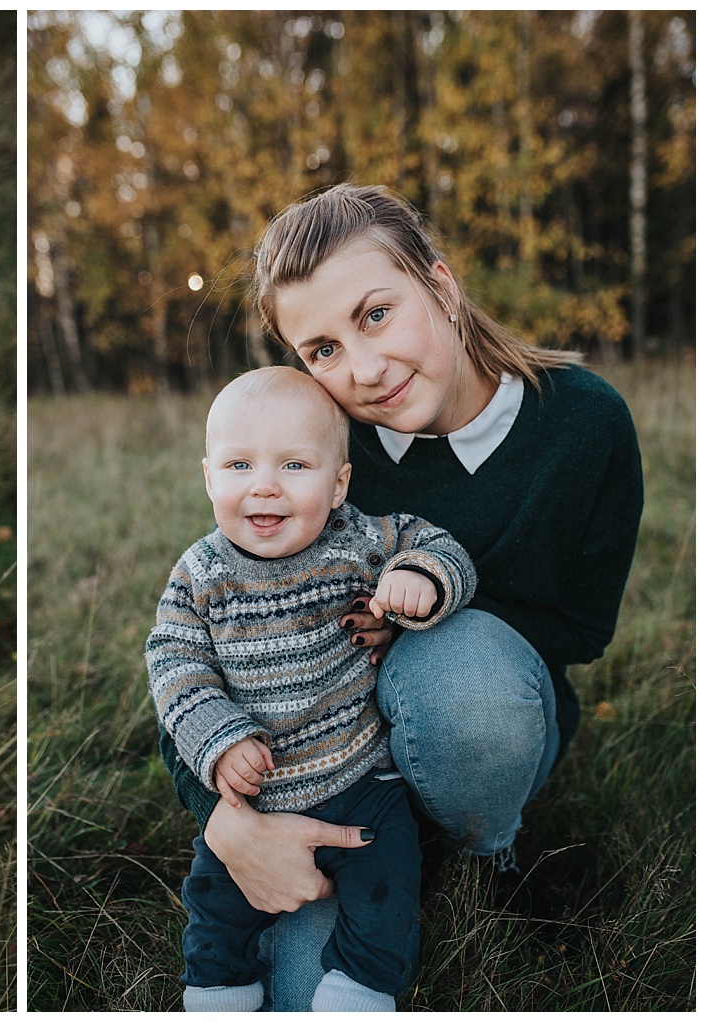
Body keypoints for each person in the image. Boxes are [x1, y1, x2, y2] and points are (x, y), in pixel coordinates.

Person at [158, 184, 644, 1010]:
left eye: (376, 314)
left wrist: (426, 617)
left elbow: (581, 629)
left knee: (460, 677)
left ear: (443, 288)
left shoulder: (586, 426)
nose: (365, 370)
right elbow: (203, 644)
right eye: (322, 349)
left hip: (481, 717)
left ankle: (486, 849)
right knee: (301, 991)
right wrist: (225, 817)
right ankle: (392, 860)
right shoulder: (317, 454)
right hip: (323, 770)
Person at [150, 366, 477, 1012]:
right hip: (257, 799)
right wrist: (217, 741)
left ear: (338, 483)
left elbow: (437, 543)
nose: (264, 487)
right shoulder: (201, 574)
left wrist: (422, 573)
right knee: (216, 899)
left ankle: (361, 984)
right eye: (239, 466)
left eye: (294, 466)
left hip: (360, 782)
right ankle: (218, 990)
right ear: (209, 476)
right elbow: (172, 661)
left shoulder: (356, 538)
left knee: (387, 882)